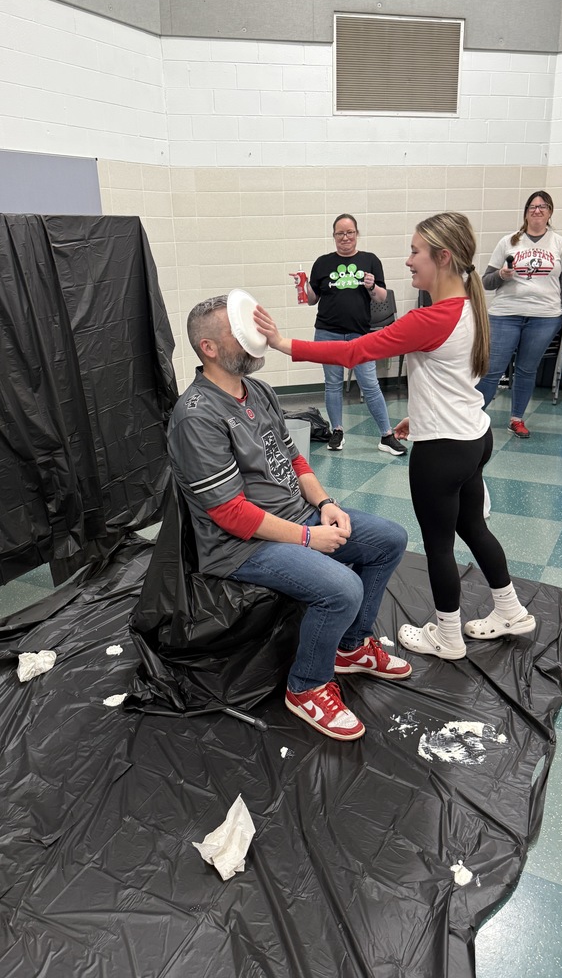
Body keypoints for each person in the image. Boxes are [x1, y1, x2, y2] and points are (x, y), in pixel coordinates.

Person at [255, 212, 535, 661]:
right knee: (472, 526)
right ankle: (511, 609)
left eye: (415, 252)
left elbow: (353, 350)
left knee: (440, 545)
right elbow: (454, 380)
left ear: (442, 258)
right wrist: (419, 419)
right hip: (472, 435)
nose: (408, 261)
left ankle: (447, 636)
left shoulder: (432, 317)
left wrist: (283, 343)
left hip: (443, 451)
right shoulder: (472, 305)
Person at [167, 295, 411, 742]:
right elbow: (229, 512)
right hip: (239, 546)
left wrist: (325, 504)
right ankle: (307, 687)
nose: (257, 340)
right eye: (239, 333)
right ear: (209, 348)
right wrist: (305, 537)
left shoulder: (255, 389)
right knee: (342, 588)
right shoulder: (195, 416)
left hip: (296, 515)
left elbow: (293, 456)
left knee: (390, 539)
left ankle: (351, 648)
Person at [476, 192, 562, 438]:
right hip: (505, 314)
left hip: (545, 317)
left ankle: (517, 419)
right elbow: (486, 282)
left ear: (550, 212)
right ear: (526, 212)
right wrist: (501, 275)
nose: (537, 210)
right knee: (493, 369)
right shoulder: (508, 242)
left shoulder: (560, 244)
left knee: (526, 369)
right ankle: (472, 417)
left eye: (542, 206)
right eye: (532, 206)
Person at [301, 214, 406, 456]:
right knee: (333, 384)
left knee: (370, 384)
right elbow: (311, 300)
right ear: (334, 236)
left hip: (360, 334)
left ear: (357, 234)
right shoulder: (322, 263)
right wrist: (303, 286)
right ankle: (337, 430)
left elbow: (381, 297)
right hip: (327, 332)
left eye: (350, 232)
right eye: (340, 233)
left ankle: (386, 435)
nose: (345, 237)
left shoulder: (370, 260)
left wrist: (371, 286)